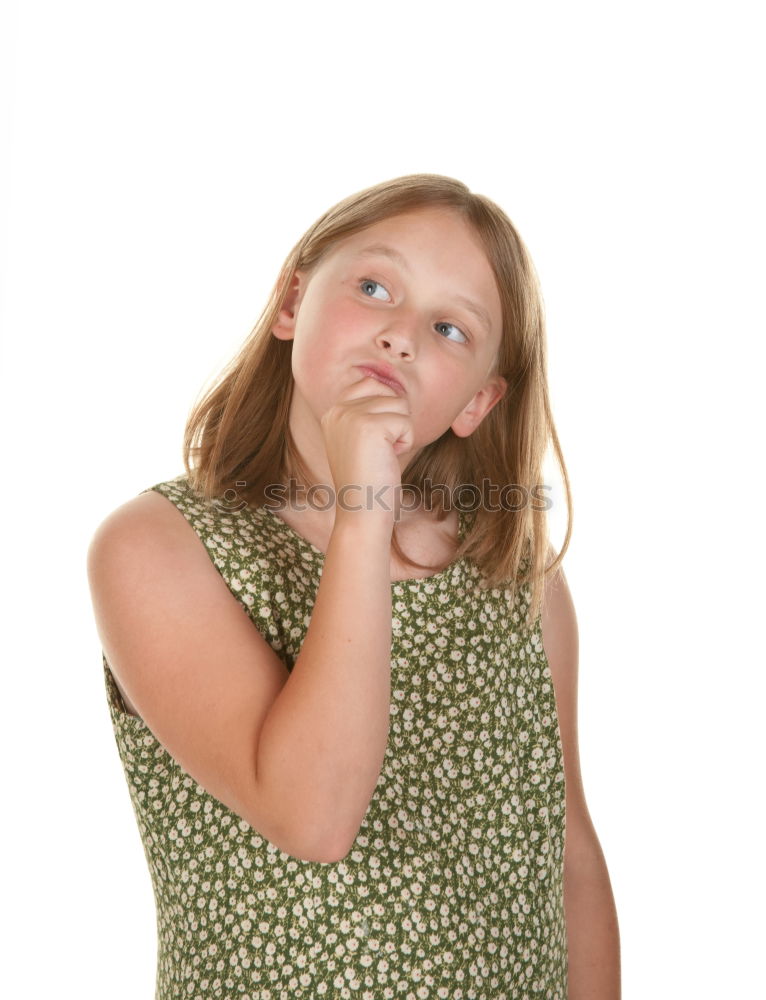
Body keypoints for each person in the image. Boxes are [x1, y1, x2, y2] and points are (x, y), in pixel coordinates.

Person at [87, 173, 620, 999]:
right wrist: (362, 512)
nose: (401, 336)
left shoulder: (513, 576)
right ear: (291, 300)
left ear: (477, 402)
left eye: (448, 327)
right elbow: (314, 816)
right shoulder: (158, 549)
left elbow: (569, 857)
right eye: (374, 287)